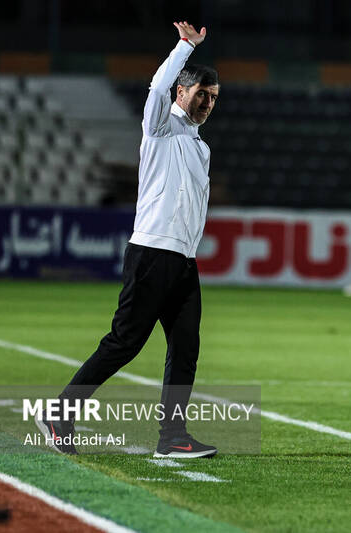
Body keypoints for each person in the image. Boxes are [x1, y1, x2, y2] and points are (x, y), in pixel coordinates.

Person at [36, 21, 220, 458]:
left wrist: (188, 253)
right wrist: (183, 48)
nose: (207, 103)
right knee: (124, 342)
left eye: (213, 99)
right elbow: (157, 88)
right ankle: (59, 411)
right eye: (201, 95)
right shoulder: (160, 129)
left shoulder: (200, 147)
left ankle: (172, 437)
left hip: (182, 261)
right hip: (152, 254)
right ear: (182, 93)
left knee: (185, 349)